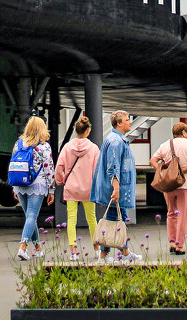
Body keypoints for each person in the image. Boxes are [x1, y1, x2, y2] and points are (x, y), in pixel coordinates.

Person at [90, 110, 142, 262]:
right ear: (119, 123)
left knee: (115, 219)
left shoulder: (116, 139)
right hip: (115, 189)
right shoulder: (116, 142)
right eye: (127, 120)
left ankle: (105, 255)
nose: (130, 122)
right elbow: (113, 167)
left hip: (115, 189)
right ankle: (123, 255)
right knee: (118, 220)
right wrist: (116, 188)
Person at [54, 114, 100, 259]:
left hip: (71, 188)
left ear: (76, 131)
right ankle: (97, 248)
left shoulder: (67, 147)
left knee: (71, 219)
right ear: (88, 131)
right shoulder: (93, 148)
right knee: (92, 218)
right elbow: (97, 170)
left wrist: (60, 180)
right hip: (88, 188)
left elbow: (59, 167)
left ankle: (74, 251)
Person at [151, 121, 187, 255]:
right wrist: (182, 171)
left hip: (168, 184)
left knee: (171, 212)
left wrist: (164, 173)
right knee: (182, 214)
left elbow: (153, 160)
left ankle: (172, 242)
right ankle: (179, 246)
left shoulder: (165, 145)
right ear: (183, 132)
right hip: (185, 184)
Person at [14, 115, 56, 261]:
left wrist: (14, 188)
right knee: (32, 216)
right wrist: (51, 190)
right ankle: (23, 247)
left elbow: (14, 166)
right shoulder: (44, 146)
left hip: (20, 184)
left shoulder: (19, 144)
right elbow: (49, 168)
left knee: (29, 217)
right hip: (37, 184)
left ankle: (38, 248)